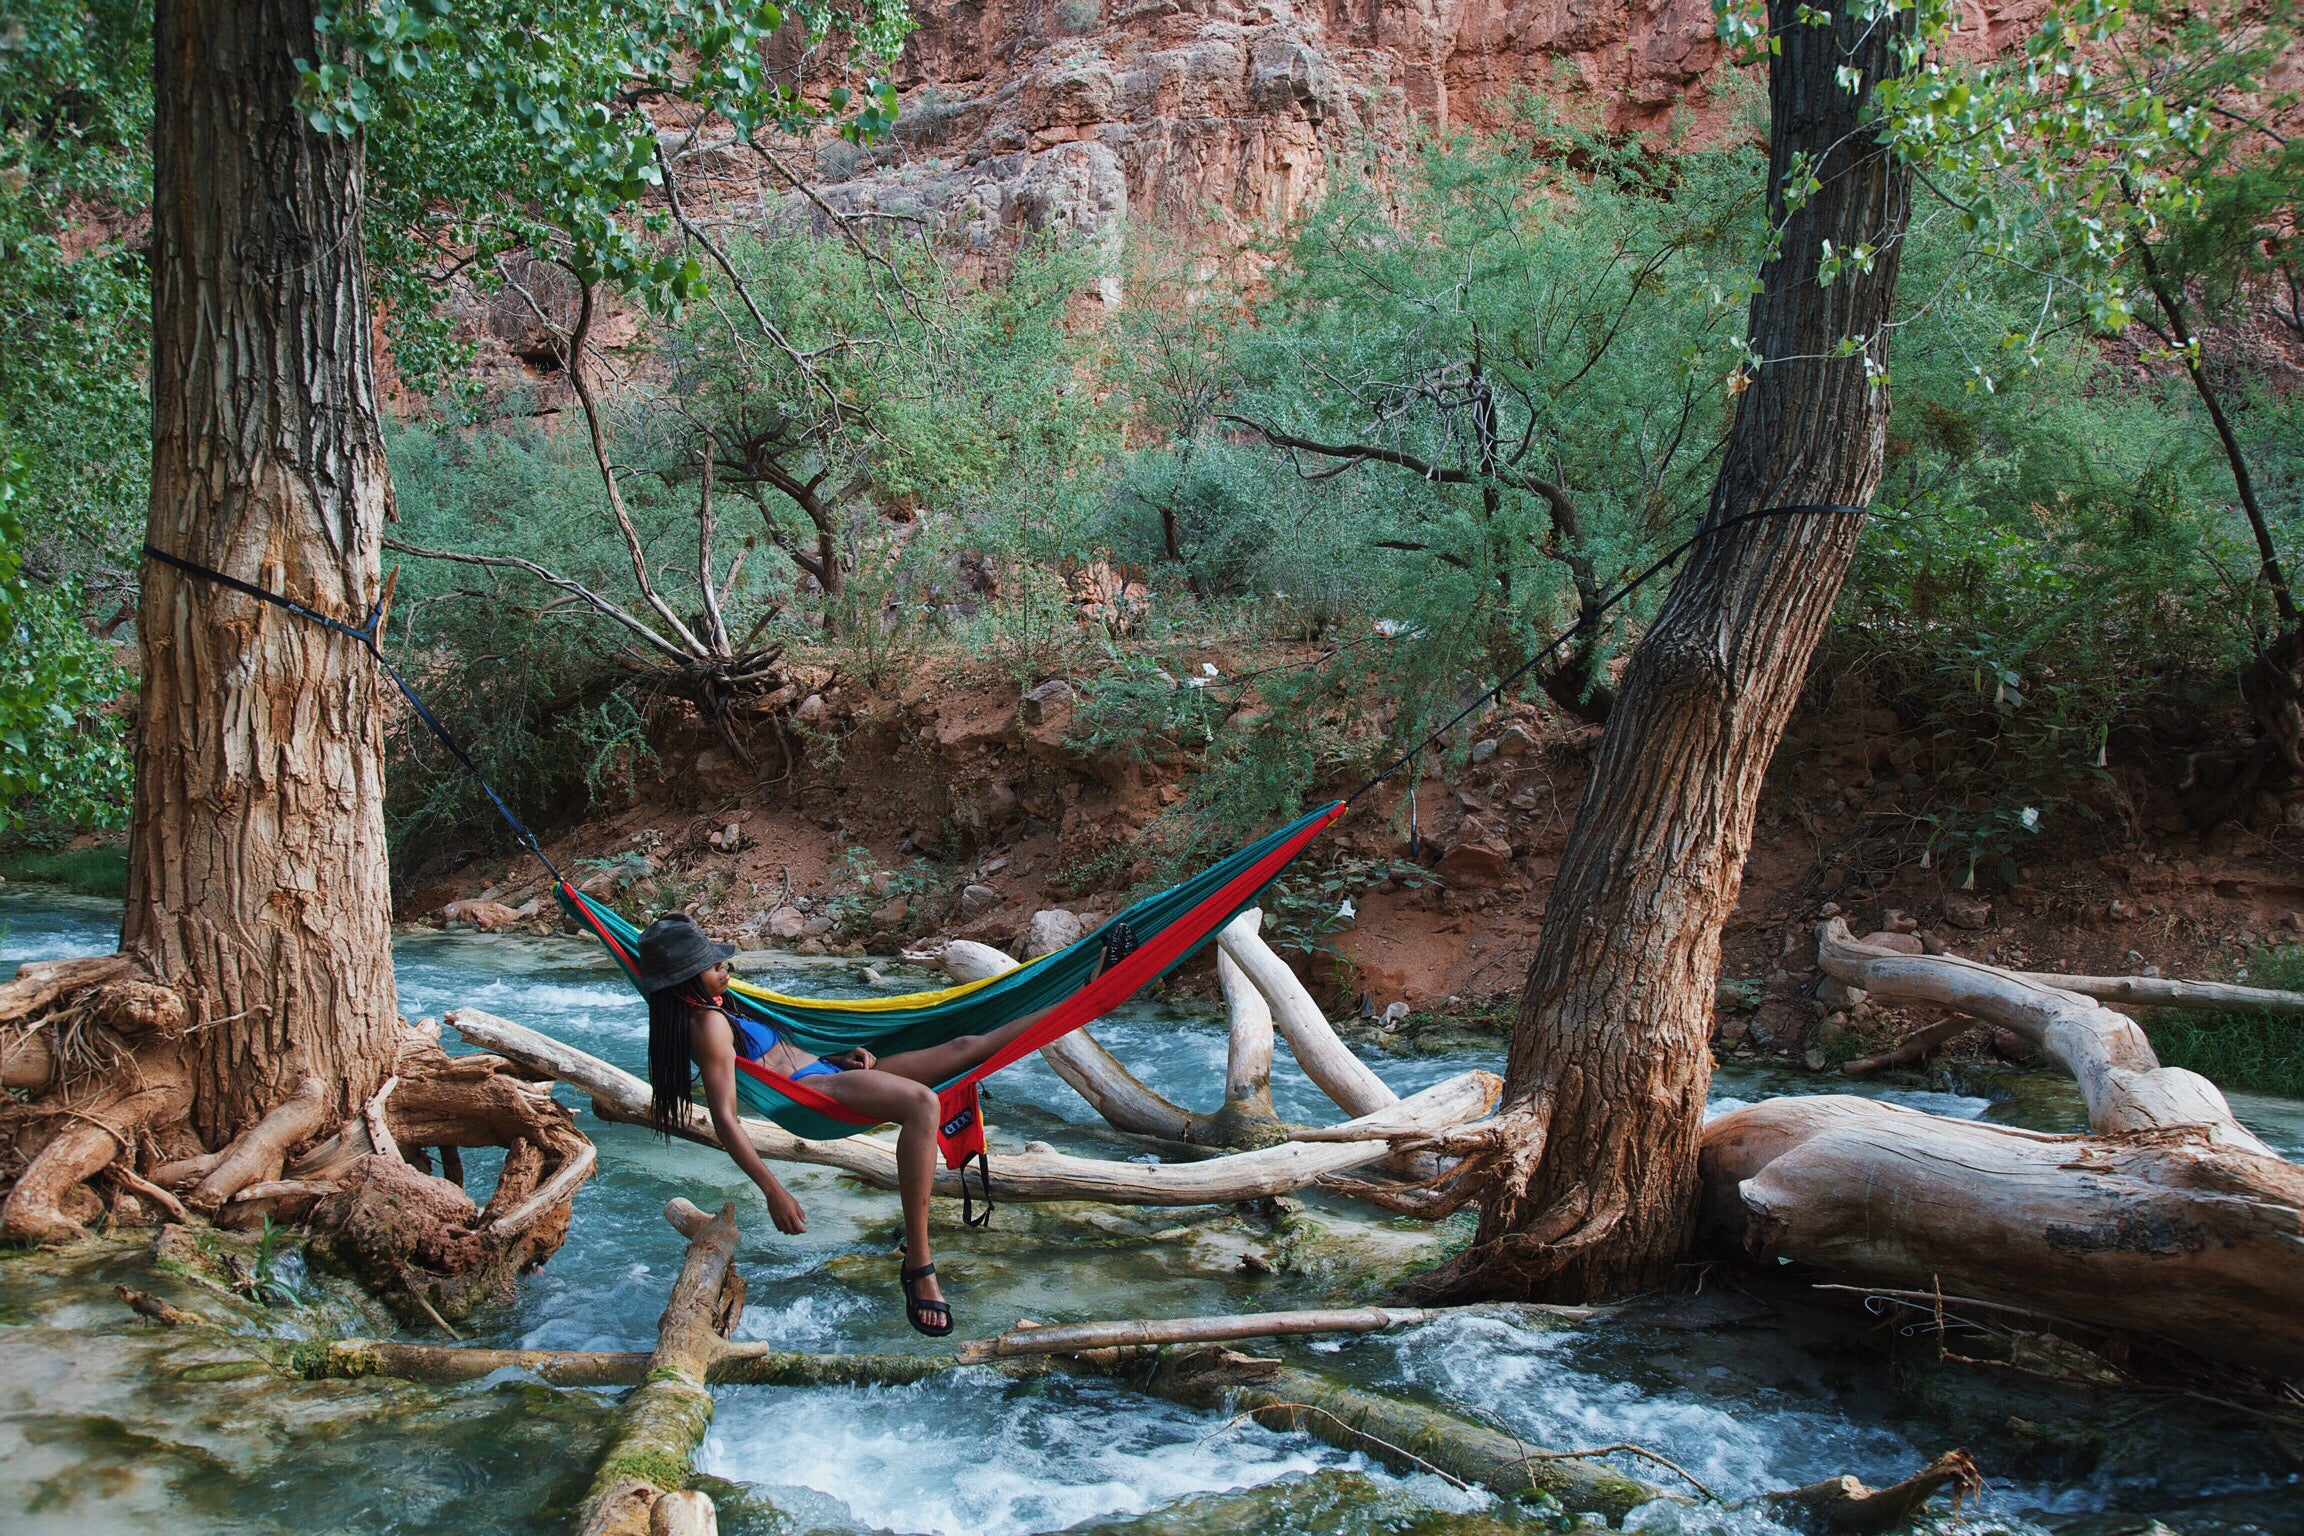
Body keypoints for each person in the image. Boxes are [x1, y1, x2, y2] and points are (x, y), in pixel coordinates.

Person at [637, 912, 1137, 1336]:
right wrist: (773, 1189)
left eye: (719, 960)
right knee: (923, 1104)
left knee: (966, 1047)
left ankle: (1089, 991)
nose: (724, 968)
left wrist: (838, 1052)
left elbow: (777, 1054)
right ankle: (918, 1265)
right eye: (710, 965)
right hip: (817, 1096)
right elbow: (725, 1117)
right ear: (683, 980)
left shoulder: (719, 1007)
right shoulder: (707, 1024)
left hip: (831, 1073)